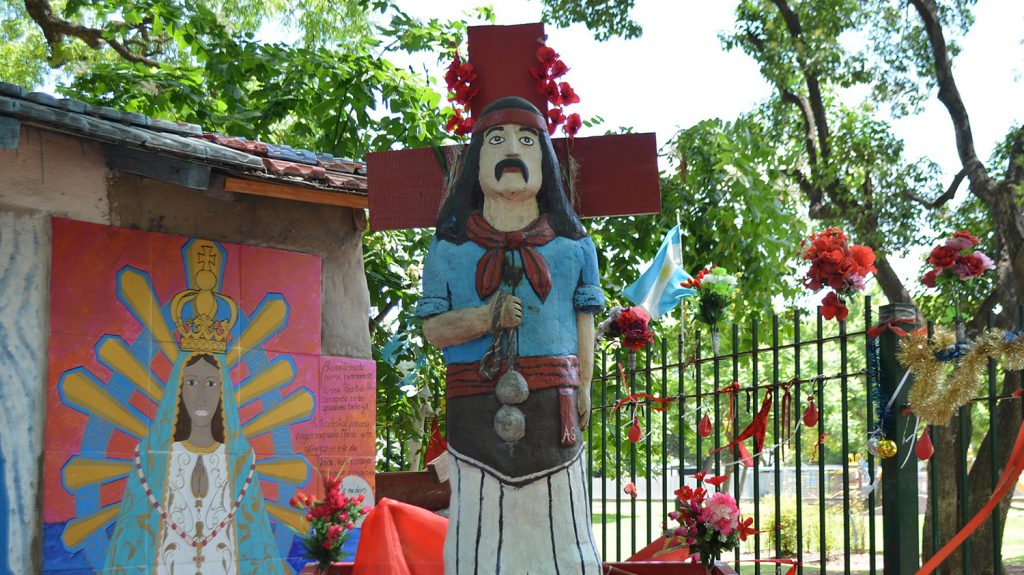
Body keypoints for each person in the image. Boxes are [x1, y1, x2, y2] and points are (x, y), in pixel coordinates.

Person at [417, 96, 603, 574]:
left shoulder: (574, 247)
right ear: (476, 161)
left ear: (544, 160)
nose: (511, 151)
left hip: (554, 417)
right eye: (496, 141)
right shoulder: (447, 249)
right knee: (476, 545)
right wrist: (484, 318)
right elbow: (434, 330)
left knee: (564, 540)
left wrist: (583, 384)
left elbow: (586, 318)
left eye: (526, 141)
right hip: (474, 420)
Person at [103, 250, 283, 574]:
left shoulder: (242, 462)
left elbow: (257, 547)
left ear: (224, 391)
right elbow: (130, 547)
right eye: (193, 382)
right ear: (179, 389)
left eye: (212, 384)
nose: (201, 394)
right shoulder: (151, 459)